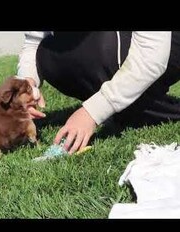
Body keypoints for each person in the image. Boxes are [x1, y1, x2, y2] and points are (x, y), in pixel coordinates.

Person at [17, 31, 180, 155]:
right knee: (48, 54)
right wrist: (27, 83)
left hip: (165, 45)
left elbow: (152, 55)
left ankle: (141, 108)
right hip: (109, 46)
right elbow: (34, 43)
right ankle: (124, 104)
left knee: (103, 47)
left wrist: (92, 112)